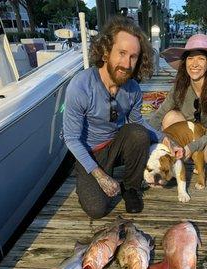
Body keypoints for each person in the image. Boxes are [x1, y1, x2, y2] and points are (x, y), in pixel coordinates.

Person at [63, 16, 180, 219]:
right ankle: (86, 176)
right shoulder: (80, 86)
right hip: (90, 151)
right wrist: (99, 176)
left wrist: (164, 138)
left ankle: (131, 188)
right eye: (122, 53)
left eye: (133, 57)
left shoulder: (133, 89)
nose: (127, 64)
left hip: (115, 144)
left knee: (138, 133)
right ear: (106, 52)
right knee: (97, 210)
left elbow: (137, 123)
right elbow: (71, 138)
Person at [148, 33, 207, 180]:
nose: (194, 64)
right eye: (190, 58)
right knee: (170, 117)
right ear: (185, 62)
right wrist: (144, 136)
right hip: (195, 131)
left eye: (201, 58)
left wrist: (191, 147)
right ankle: (188, 157)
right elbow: (160, 114)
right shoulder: (180, 86)